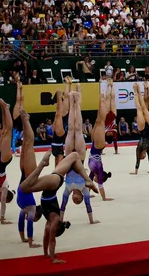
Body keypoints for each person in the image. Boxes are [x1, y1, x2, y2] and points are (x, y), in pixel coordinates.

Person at [19, 150, 96, 264]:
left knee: (24, 187)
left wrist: (46, 254)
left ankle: (43, 164)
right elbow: (51, 240)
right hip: (53, 184)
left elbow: (46, 238)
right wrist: (53, 259)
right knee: (74, 155)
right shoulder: (54, 220)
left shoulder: (50, 222)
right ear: (57, 227)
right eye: (54, 230)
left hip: (54, 182)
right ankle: (88, 180)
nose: (51, 231)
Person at [60, 80, 99, 224]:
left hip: (69, 155)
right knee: (78, 129)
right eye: (78, 201)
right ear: (81, 197)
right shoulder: (85, 189)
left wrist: (60, 220)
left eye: (74, 201)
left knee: (71, 129)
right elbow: (88, 206)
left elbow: (62, 206)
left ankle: (72, 102)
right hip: (80, 157)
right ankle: (76, 103)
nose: (75, 200)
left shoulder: (67, 189)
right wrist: (91, 221)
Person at [16, 98, 43, 248]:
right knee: (27, 144)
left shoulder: (27, 209)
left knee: (27, 144)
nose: (30, 219)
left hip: (27, 177)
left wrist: (26, 240)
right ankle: (25, 120)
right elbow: (25, 223)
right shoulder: (27, 208)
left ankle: (25, 120)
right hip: (24, 177)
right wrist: (27, 241)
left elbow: (23, 222)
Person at [89, 79, 115, 201]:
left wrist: (87, 193)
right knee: (101, 121)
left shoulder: (92, 172)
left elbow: (89, 182)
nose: (95, 181)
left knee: (97, 120)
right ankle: (102, 98)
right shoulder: (98, 171)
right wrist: (104, 198)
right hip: (99, 146)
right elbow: (100, 186)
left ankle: (102, 98)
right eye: (97, 180)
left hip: (93, 144)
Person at [0, 97, 15, 224]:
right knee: (8, 131)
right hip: (4, 160)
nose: (0, 199)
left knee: (4, 132)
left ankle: (3, 109)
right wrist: (2, 220)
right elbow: (2, 203)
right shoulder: (4, 188)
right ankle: (6, 108)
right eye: (3, 199)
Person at [132, 83, 149, 174]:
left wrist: (136, 171)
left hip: (142, 129)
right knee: (144, 107)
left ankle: (135, 91)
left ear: (140, 154)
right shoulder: (148, 149)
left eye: (142, 156)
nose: (144, 156)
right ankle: (139, 90)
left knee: (139, 108)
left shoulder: (139, 147)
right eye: (144, 157)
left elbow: (137, 160)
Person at [50, 86, 69, 166]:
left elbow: (59, 111)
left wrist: (59, 96)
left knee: (58, 113)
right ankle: (66, 86)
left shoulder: (63, 112)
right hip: (58, 141)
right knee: (58, 113)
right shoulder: (64, 112)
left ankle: (60, 94)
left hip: (58, 140)